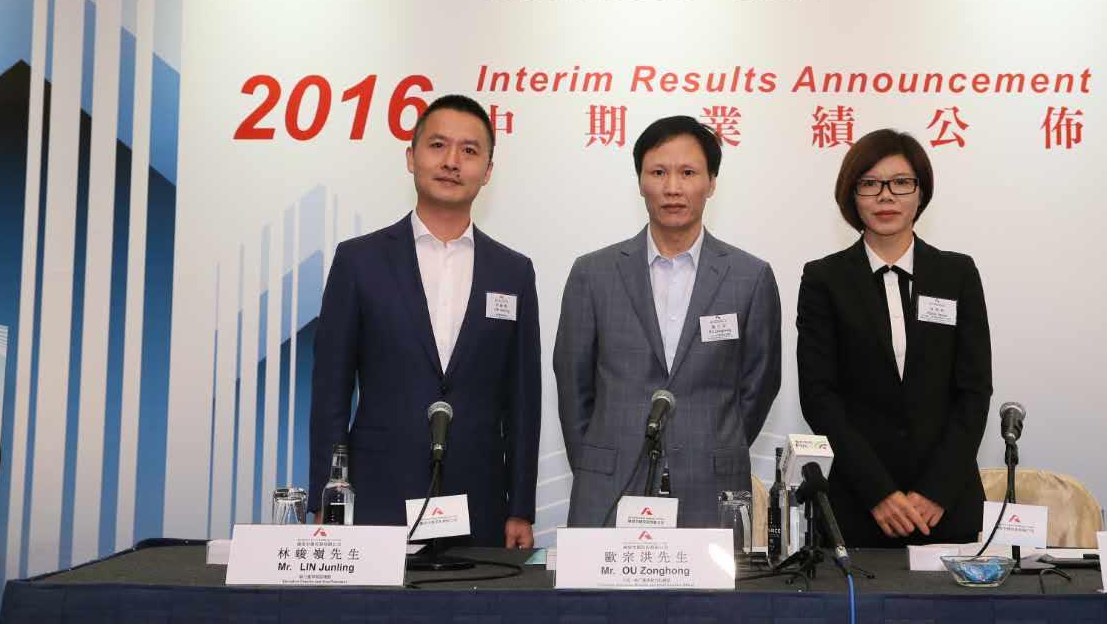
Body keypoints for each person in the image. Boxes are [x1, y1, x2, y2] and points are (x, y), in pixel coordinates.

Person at [308, 94, 540, 548]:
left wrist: (520, 507)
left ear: (488, 171)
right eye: (437, 146)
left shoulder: (513, 272)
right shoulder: (359, 261)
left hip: (479, 499)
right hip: (378, 493)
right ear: (411, 158)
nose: (452, 162)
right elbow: (331, 391)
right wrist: (327, 492)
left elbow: (523, 400)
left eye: (469, 150)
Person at [554, 115, 782, 528]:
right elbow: (573, 383)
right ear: (640, 181)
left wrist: (713, 443)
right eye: (658, 172)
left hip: (711, 486)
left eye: (688, 173)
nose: (673, 187)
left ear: (711, 183)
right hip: (609, 486)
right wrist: (596, 460)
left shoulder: (750, 277)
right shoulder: (593, 274)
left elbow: (759, 383)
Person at [796, 128, 991, 547]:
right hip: (859, 506)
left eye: (901, 183)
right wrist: (878, 492)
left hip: (945, 507)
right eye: (870, 184)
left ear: (921, 193)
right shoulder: (824, 279)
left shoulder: (957, 274)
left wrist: (936, 491)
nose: (886, 196)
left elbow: (974, 392)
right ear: (852, 195)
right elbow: (819, 396)